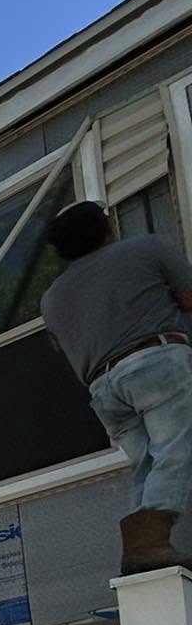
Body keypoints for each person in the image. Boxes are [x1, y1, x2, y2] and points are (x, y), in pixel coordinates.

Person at [41, 201, 192, 576]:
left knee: (145, 462)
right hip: (154, 364)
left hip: (103, 388)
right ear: (106, 229)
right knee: (175, 449)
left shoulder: (51, 298)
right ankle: (149, 542)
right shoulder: (146, 248)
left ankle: (143, 549)